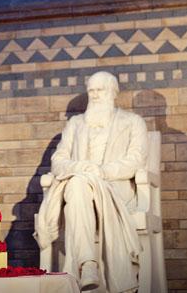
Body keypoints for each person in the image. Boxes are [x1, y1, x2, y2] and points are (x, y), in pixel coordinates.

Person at [35, 71, 148, 292]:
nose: (95, 95)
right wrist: (80, 168)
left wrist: (102, 171)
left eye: (100, 90)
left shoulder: (133, 122)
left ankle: (86, 266)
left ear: (113, 92)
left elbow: (136, 160)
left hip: (114, 188)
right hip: (79, 186)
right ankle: (88, 264)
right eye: (92, 91)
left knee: (77, 188)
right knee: (77, 184)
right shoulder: (76, 124)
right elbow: (58, 160)